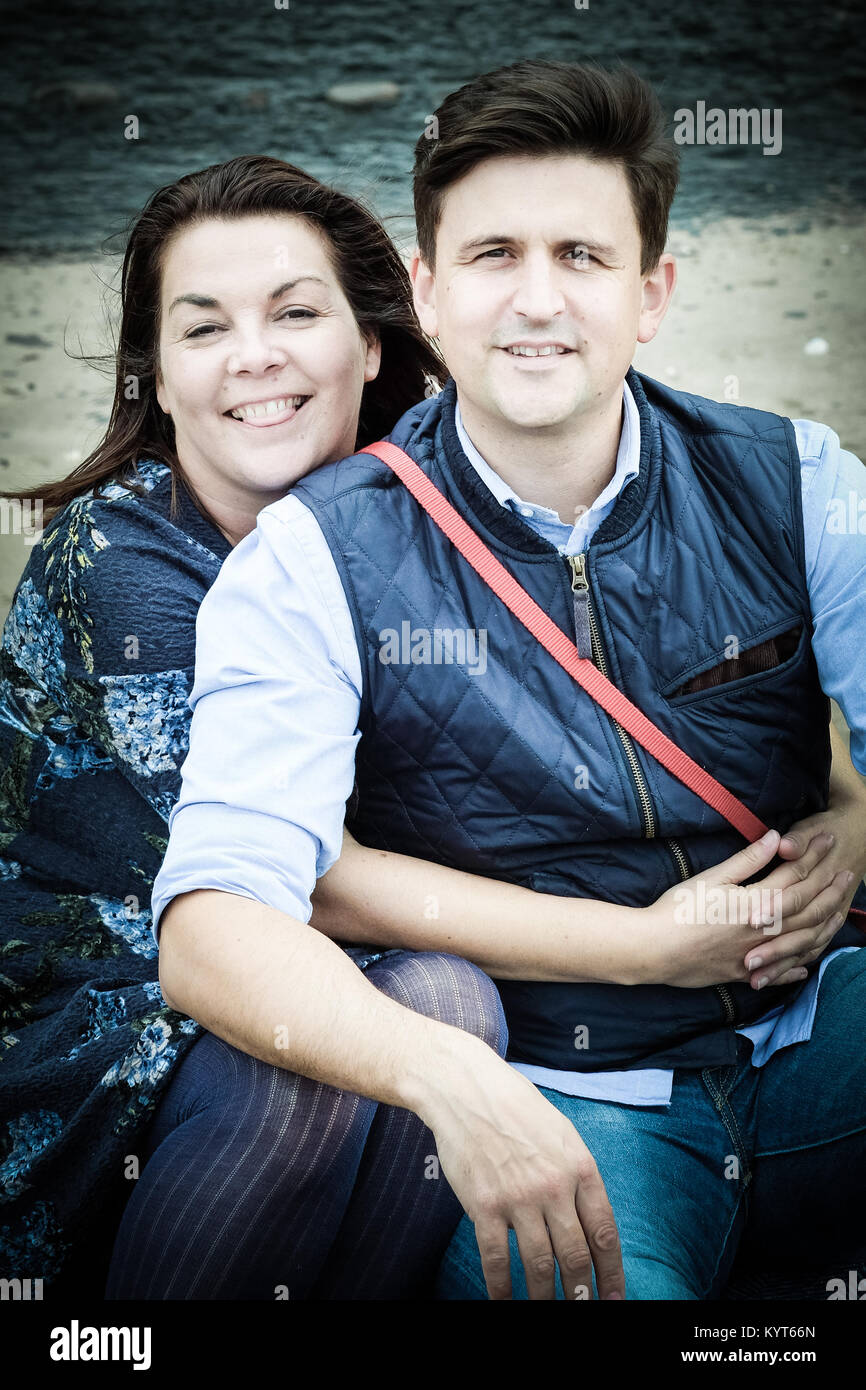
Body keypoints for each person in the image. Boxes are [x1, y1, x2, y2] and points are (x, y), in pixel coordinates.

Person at [4, 153, 844, 1303]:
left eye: (295, 312)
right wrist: (645, 944)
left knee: (447, 998)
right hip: (139, 979)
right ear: (158, 372)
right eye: (204, 330)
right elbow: (288, 887)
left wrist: (844, 809)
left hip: (410, 960)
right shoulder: (125, 566)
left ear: (375, 340)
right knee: (424, 1018)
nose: (254, 356)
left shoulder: (427, 491)